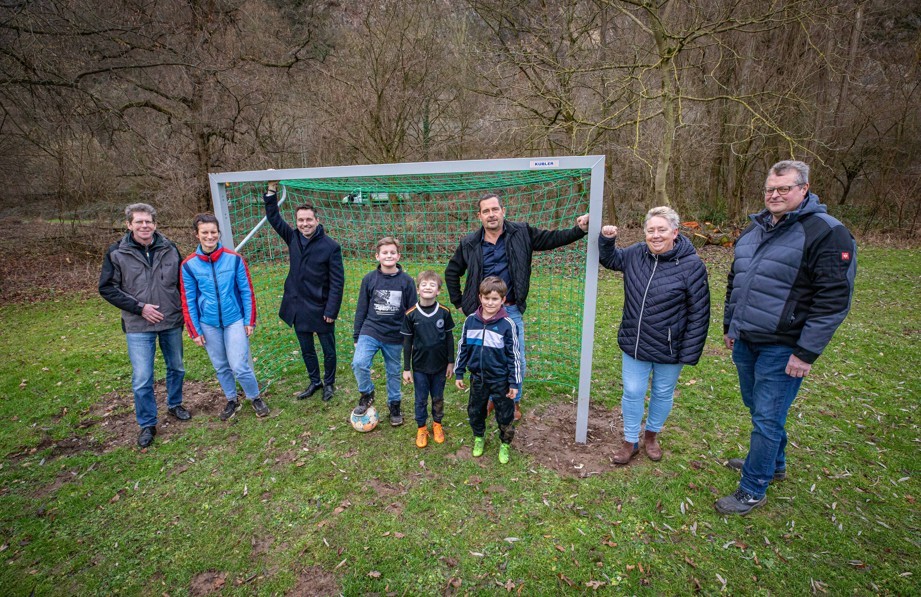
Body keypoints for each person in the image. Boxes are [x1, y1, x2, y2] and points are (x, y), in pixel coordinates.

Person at [716, 160, 856, 515]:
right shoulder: (754, 229)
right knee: (758, 407)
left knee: (767, 415)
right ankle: (774, 464)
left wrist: (806, 352)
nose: (774, 195)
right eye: (769, 189)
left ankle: (752, 488)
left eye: (783, 189)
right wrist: (731, 326)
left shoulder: (827, 232)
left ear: (804, 189)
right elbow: (737, 281)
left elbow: (833, 299)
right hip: (747, 338)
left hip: (785, 345)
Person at [445, 194, 588, 420]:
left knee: (515, 358)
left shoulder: (522, 232)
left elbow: (552, 239)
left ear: (503, 210)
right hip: (480, 313)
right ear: (479, 216)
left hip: (509, 310)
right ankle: (491, 399)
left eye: (495, 209)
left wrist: (579, 229)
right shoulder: (470, 243)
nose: (491, 214)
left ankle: (513, 401)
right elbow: (452, 272)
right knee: (484, 357)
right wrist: (460, 303)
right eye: (486, 211)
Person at [598, 206, 710, 464]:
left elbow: (699, 313)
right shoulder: (636, 253)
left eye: (662, 230)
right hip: (635, 343)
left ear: (675, 232)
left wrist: (689, 352)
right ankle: (630, 441)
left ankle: (651, 436)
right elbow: (611, 260)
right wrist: (607, 239)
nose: (656, 235)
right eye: (651, 230)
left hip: (670, 348)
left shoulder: (692, 266)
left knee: (662, 392)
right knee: (633, 391)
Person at [99, 203, 190, 449]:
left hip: (171, 319)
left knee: (177, 367)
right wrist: (140, 308)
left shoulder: (170, 248)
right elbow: (107, 288)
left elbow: (182, 283)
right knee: (142, 377)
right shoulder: (117, 252)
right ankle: (147, 423)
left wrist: (185, 311)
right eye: (138, 222)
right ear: (129, 225)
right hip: (138, 325)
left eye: (148, 221)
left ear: (155, 224)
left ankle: (175, 404)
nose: (144, 226)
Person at [179, 214, 269, 420]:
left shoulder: (234, 259)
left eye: (213, 232)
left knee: (239, 365)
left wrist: (249, 320)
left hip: (234, 320)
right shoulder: (189, 265)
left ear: (219, 233)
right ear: (197, 235)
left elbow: (247, 291)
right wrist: (195, 330)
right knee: (221, 365)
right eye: (205, 233)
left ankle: (254, 397)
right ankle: (231, 399)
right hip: (208, 323)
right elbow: (188, 300)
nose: (210, 236)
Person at [264, 181, 345, 402]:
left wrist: (332, 309)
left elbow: (338, 282)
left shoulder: (331, 246)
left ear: (317, 221)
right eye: (301, 220)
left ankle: (329, 383)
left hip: (321, 307)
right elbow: (273, 217)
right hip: (298, 307)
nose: (305, 223)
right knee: (307, 349)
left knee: (328, 350)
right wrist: (271, 190)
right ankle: (314, 381)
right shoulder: (292, 237)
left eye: (309, 219)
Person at [454, 276, 522, 464]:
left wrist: (513, 382)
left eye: (494, 299)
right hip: (478, 378)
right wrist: (459, 372)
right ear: (480, 297)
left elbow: (514, 355)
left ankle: (505, 444)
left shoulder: (507, 324)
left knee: (505, 414)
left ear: (503, 300)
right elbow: (463, 347)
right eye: (486, 298)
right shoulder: (470, 321)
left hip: (501, 380)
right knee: (475, 410)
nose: (490, 302)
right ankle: (479, 437)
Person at [352, 237, 418, 426]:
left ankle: (394, 404)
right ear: (377, 256)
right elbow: (361, 308)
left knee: (393, 371)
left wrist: (412, 337)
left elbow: (412, 311)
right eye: (384, 253)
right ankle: (367, 394)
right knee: (359, 362)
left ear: (398, 255)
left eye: (392, 252)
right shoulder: (369, 279)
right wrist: (357, 335)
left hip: (396, 335)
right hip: (371, 330)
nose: (388, 256)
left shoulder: (406, 282)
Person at [401, 271, 455, 448]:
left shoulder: (444, 312)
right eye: (424, 284)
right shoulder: (411, 314)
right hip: (420, 368)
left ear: (438, 291)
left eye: (432, 285)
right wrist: (407, 368)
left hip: (440, 367)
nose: (428, 287)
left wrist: (450, 362)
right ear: (418, 289)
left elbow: (449, 338)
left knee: (438, 397)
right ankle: (421, 428)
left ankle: (437, 424)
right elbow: (407, 343)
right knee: (421, 399)